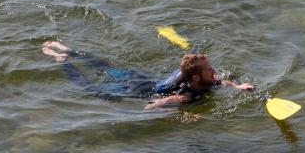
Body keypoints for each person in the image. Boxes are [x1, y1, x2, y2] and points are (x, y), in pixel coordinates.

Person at [42, 41, 253, 109]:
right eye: (209, 70)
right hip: (134, 88)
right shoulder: (187, 95)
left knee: (105, 68)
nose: (214, 72)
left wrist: (238, 86)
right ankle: (64, 59)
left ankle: (68, 50)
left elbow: (222, 81)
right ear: (196, 78)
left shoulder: (206, 81)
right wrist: (177, 114)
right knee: (91, 89)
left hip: (140, 76)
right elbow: (155, 105)